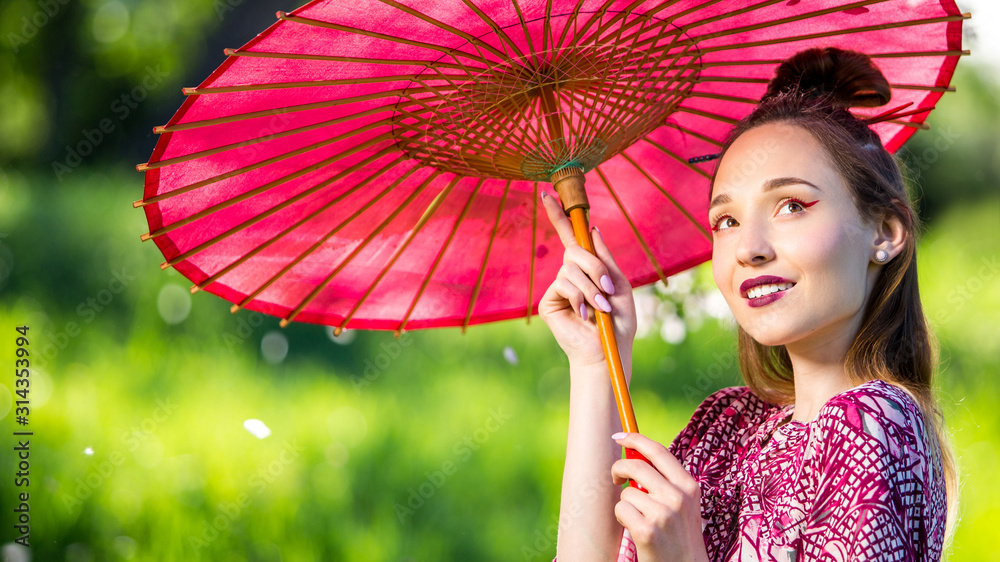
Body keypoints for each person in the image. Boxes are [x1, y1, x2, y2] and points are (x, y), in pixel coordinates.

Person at [538, 46, 956, 562]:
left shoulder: (874, 424)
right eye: (726, 221)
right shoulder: (728, 426)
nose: (748, 247)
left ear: (885, 233)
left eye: (792, 205)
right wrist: (598, 364)